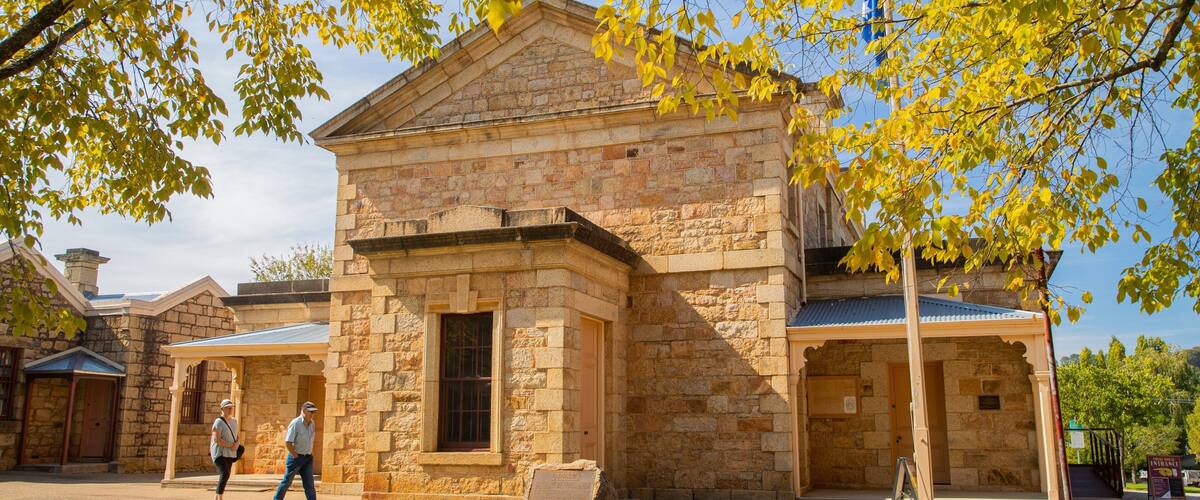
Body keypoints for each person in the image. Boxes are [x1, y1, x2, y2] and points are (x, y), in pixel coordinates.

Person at [274, 401, 319, 500]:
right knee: (287, 482)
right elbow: (288, 442)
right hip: (296, 457)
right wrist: (295, 455)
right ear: (303, 411)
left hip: (307, 458)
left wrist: (310, 453)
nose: (312, 414)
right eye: (310, 412)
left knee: (309, 485)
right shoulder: (295, 423)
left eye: (313, 412)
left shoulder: (312, 424)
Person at [210, 399, 239, 500]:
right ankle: (220, 497)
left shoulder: (234, 421)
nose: (230, 409)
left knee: (226, 474)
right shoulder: (218, 422)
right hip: (219, 453)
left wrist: (237, 444)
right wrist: (231, 445)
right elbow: (216, 439)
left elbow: (236, 436)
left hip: (230, 453)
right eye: (228, 408)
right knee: (225, 473)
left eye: (231, 407)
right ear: (222, 409)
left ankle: (217, 496)